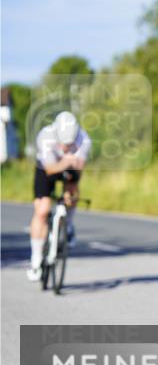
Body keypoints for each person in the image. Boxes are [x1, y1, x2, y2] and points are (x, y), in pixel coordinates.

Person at [28, 111, 91, 281]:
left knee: (72, 192)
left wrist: (73, 169)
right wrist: (65, 161)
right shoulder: (45, 136)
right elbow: (49, 169)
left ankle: (68, 225)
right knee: (42, 210)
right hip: (46, 167)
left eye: (70, 144)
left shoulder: (84, 139)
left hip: (68, 166)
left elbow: (80, 168)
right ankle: (35, 260)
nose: (66, 147)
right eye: (63, 143)